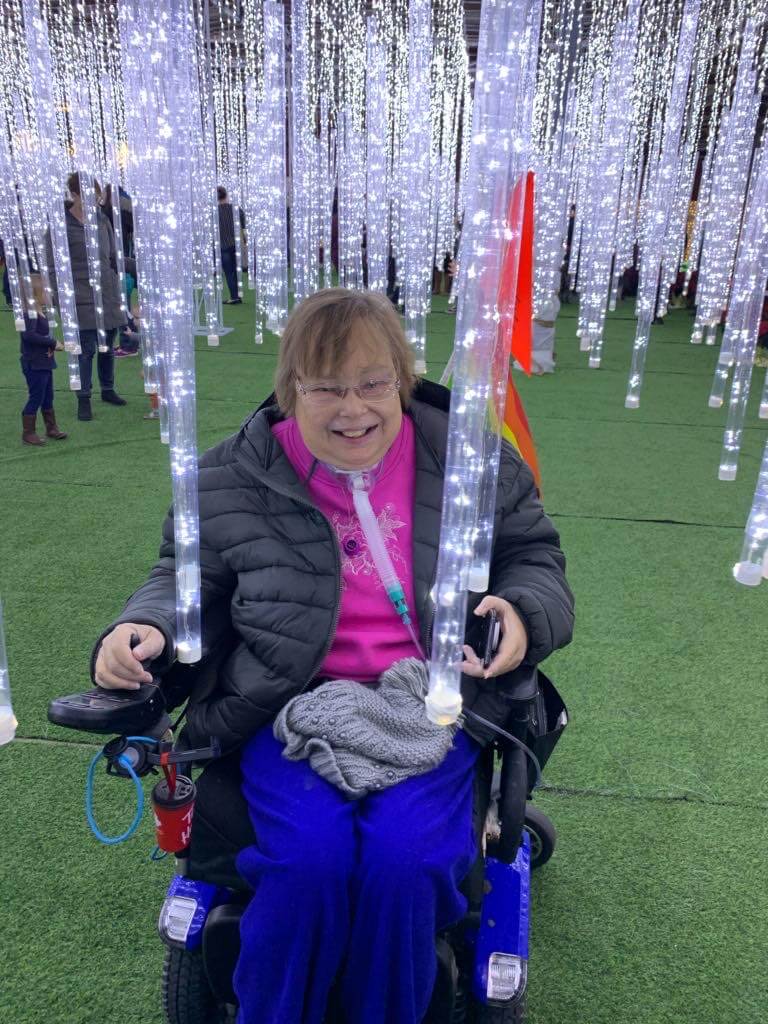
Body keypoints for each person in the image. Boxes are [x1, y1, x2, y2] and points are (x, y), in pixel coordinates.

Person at [92, 288, 574, 1024]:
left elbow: (533, 556)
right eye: (326, 389)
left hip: (432, 702)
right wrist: (144, 628)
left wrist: (521, 608)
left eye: (374, 383)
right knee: (305, 863)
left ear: (402, 382)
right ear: (292, 391)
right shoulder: (233, 475)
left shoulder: (471, 459)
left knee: (404, 865)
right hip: (289, 707)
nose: (354, 409)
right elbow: (183, 576)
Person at [46, 171, 127, 421]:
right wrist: (60, 299)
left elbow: (113, 257)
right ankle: (84, 397)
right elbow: (53, 265)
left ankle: (107, 388)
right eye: (89, 196)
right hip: (80, 296)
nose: (94, 200)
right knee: (86, 349)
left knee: (107, 347)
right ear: (74, 195)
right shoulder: (61, 225)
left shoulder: (102, 221)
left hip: (108, 294)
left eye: (97, 195)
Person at [19, 273, 67, 446]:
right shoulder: (30, 314)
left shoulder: (39, 312)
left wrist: (52, 346)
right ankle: (28, 432)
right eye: (46, 291)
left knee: (48, 396)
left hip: (44, 362)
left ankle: (51, 427)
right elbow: (29, 336)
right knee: (36, 396)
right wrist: (53, 343)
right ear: (36, 293)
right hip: (34, 363)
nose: (50, 294)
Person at [217, 185, 241, 304]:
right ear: (226, 195)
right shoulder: (235, 208)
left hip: (223, 246)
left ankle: (234, 297)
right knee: (235, 272)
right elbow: (243, 220)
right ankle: (237, 295)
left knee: (229, 273)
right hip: (235, 245)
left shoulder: (214, 212)